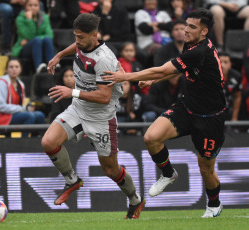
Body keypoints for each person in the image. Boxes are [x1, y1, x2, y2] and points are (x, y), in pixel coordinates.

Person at [102, 8, 226, 218]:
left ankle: (214, 204)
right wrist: (153, 80)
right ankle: (169, 173)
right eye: (186, 24)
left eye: (192, 27)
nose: (186, 30)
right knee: (151, 137)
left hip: (210, 117)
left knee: (206, 168)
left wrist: (126, 77)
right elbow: (178, 70)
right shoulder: (191, 44)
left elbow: (163, 69)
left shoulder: (201, 50)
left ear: (204, 32)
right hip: (187, 107)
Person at [42, 13, 145, 219]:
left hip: (101, 119)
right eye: (75, 36)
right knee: (48, 142)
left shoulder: (104, 59)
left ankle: (135, 200)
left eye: (81, 37)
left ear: (94, 35)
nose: (77, 41)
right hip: (79, 109)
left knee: (111, 170)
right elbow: (77, 47)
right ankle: (72, 180)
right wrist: (59, 55)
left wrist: (71, 91)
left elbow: (104, 97)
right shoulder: (83, 43)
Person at [0, 58, 45, 138]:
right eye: (11, 67)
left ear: (21, 69)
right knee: (29, 116)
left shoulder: (21, 84)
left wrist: (27, 108)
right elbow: (0, 107)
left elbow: (20, 106)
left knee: (40, 115)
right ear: (6, 69)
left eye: (17, 67)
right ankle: (24, 144)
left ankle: (33, 142)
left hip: (11, 115)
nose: (14, 69)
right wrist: (22, 109)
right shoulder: (1, 84)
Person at [11, 0, 54, 73]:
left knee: (47, 39)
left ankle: (52, 65)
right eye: (30, 5)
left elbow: (50, 35)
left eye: (35, 5)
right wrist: (29, 20)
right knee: (37, 40)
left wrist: (40, 39)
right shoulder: (20, 19)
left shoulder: (44, 17)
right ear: (25, 7)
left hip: (39, 45)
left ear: (39, 7)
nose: (33, 7)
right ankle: (38, 67)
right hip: (24, 48)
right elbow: (29, 35)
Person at [219, 52, 242, 121]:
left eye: (225, 62)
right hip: (211, 109)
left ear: (230, 65)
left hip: (228, 106)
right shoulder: (209, 76)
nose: (222, 65)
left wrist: (234, 118)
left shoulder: (236, 77)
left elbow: (237, 96)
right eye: (220, 62)